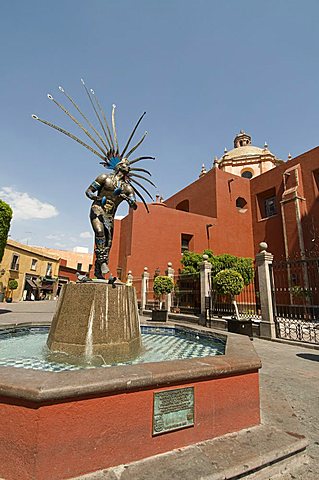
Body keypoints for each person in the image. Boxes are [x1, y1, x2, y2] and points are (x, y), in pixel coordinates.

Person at [85, 158, 137, 279]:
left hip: (110, 216)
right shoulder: (104, 178)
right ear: (118, 166)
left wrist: (129, 199)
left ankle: (98, 271)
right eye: (125, 164)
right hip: (97, 209)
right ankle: (103, 263)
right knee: (99, 232)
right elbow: (89, 191)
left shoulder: (127, 188)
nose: (128, 167)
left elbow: (134, 205)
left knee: (108, 243)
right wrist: (95, 198)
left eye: (128, 166)